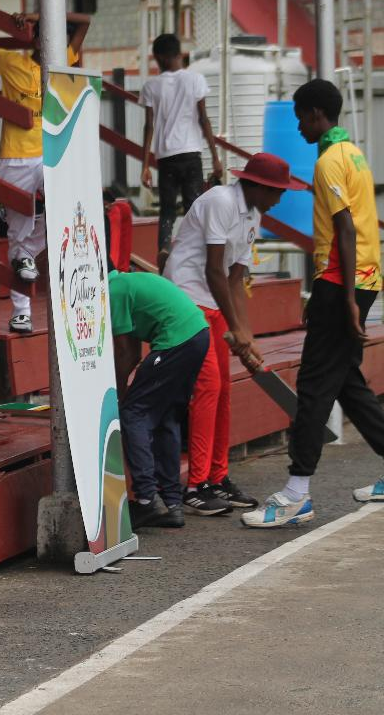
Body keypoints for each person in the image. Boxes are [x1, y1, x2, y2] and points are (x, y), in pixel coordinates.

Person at [243, 80, 384, 527]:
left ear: (317, 113)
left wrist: (342, 299)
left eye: (301, 117)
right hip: (360, 277)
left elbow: (344, 229)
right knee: (346, 382)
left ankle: (296, 494)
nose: (299, 127)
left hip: (345, 281)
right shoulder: (354, 154)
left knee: (314, 385)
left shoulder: (328, 162)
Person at [163, 152, 303, 517]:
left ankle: (217, 477)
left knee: (224, 388)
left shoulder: (254, 215)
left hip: (214, 302)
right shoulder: (221, 201)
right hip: (186, 298)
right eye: (276, 192)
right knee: (207, 386)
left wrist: (247, 334)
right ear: (257, 186)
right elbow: (213, 270)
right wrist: (236, 328)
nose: (280, 198)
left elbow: (236, 279)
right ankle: (196, 486)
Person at [0, 10, 90, 333]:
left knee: (61, 205)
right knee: (18, 237)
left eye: (57, 40)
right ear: (34, 38)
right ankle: (22, 312)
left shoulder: (63, 62)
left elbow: (85, 21)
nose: (52, 45)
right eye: (47, 38)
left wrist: (35, 13)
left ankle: (27, 256)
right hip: (15, 160)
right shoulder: (10, 62)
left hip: (47, 158)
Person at [112, 270, 210, 529]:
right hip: (198, 333)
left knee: (133, 414)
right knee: (166, 416)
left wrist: (121, 396)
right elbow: (132, 350)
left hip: (175, 339)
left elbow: (123, 351)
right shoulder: (127, 282)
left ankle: (146, 499)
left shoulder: (112, 291)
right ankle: (172, 504)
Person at [139, 33, 222, 272]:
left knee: (167, 209)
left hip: (166, 157)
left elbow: (149, 126)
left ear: (159, 58)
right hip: (191, 153)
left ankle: (164, 247)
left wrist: (145, 165)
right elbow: (204, 119)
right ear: (179, 54)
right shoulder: (195, 79)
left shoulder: (151, 86)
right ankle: (193, 253)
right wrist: (215, 157)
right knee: (194, 207)